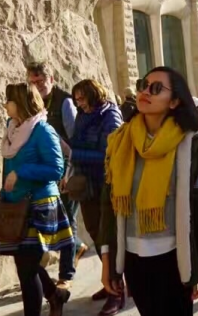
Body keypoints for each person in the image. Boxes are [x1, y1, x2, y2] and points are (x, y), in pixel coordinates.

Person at [100, 67, 198, 316]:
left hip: (174, 257)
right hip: (132, 258)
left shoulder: (190, 143)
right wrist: (108, 262)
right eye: (143, 85)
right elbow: (108, 205)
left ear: (174, 101)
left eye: (156, 88)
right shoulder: (120, 141)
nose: (145, 92)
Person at [0, 83, 73, 316]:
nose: (5, 105)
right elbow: (7, 165)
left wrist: (21, 172)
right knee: (26, 265)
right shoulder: (12, 128)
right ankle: (55, 295)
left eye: (9, 101)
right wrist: (5, 195)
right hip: (16, 205)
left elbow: (56, 168)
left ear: (21, 103)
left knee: (27, 270)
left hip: (39, 205)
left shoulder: (42, 130)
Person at [25, 63, 86, 290]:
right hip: (49, 170)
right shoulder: (34, 103)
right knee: (57, 220)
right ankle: (77, 247)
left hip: (68, 169)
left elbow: (74, 141)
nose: (36, 86)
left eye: (40, 81)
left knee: (68, 221)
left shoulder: (65, 102)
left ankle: (66, 274)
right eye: (32, 82)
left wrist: (70, 171)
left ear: (51, 79)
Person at [69, 80, 125, 316]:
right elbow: (76, 142)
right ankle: (110, 281)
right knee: (94, 232)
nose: (78, 103)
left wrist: (73, 152)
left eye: (82, 98)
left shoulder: (109, 115)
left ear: (93, 95)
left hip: (106, 184)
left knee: (108, 238)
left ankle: (116, 292)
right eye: (76, 99)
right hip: (87, 184)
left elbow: (108, 152)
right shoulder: (83, 115)